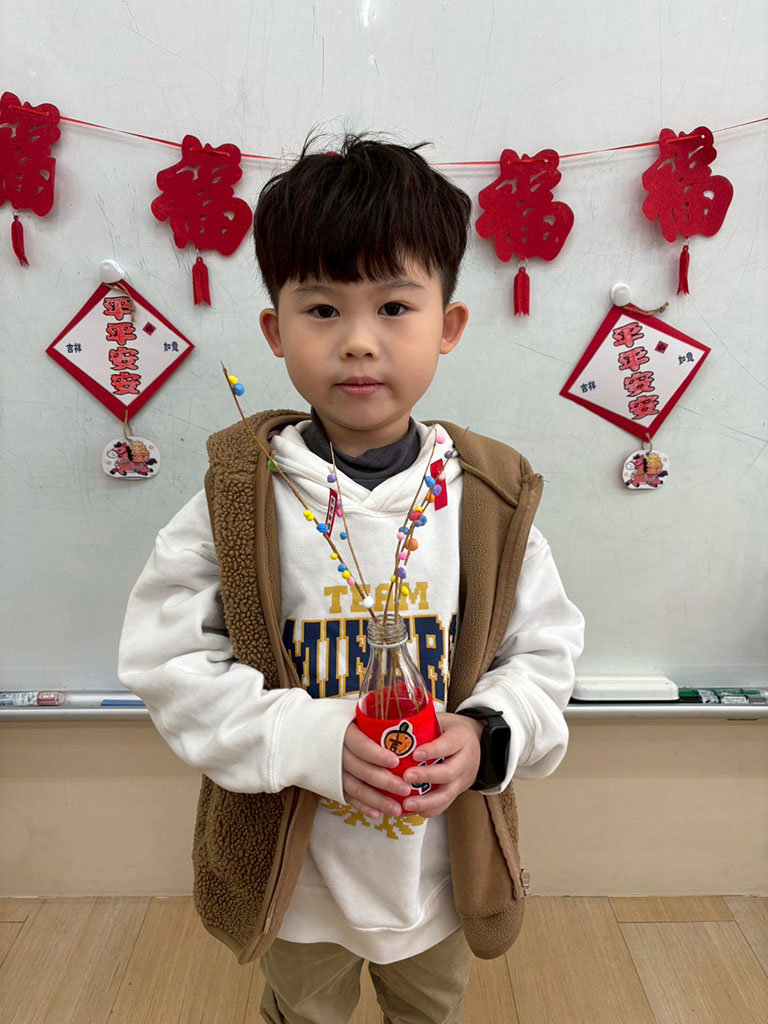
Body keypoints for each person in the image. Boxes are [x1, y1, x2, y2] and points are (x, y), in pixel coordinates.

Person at [118, 131, 585, 1024]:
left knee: (431, 1009)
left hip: (438, 876)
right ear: (275, 330)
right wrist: (307, 740)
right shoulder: (238, 496)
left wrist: (489, 732)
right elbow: (166, 663)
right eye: (324, 309)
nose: (360, 343)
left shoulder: (489, 496)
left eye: (395, 307)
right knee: (305, 1011)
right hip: (299, 880)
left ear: (448, 326)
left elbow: (547, 649)